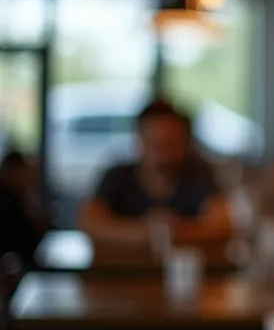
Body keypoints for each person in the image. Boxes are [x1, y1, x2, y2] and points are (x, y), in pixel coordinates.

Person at [79, 99, 233, 248]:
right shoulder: (117, 176)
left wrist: (174, 232)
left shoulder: (197, 175)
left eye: (170, 144)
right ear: (139, 141)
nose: (163, 155)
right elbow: (89, 222)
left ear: (185, 143)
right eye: (155, 144)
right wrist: (143, 232)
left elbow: (223, 224)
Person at [0, 149, 46, 270]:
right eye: (25, 170)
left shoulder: (16, 197)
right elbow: (27, 240)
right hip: (17, 268)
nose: (28, 175)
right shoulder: (7, 201)